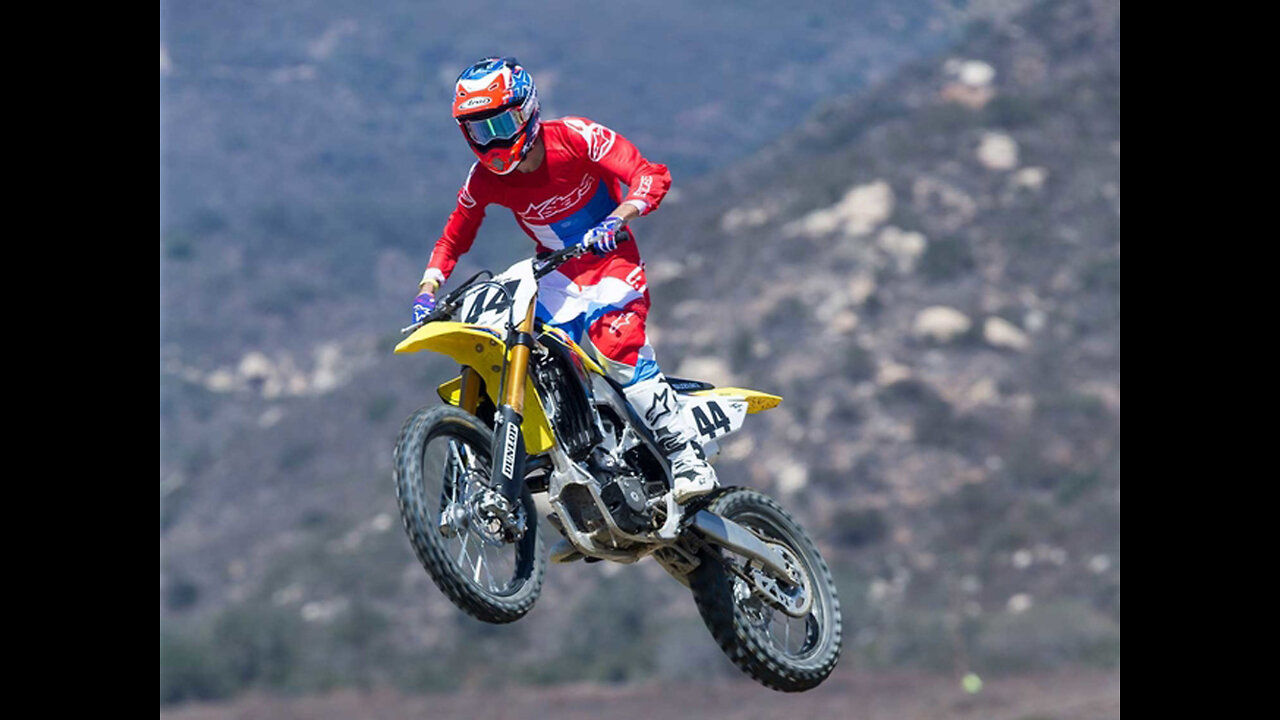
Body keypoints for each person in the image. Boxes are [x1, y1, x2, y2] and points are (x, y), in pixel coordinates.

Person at [412, 56, 716, 503]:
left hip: (611, 260)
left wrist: (619, 216)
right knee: (514, 348)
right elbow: (454, 235)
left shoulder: (575, 137)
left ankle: (687, 455)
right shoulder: (483, 179)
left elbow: (650, 175)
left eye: (501, 123)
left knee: (617, 349)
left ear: (528, 111)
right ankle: (567, 456)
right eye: (479, 131)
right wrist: (426, 291)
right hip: (553, 271)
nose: (493, 141)